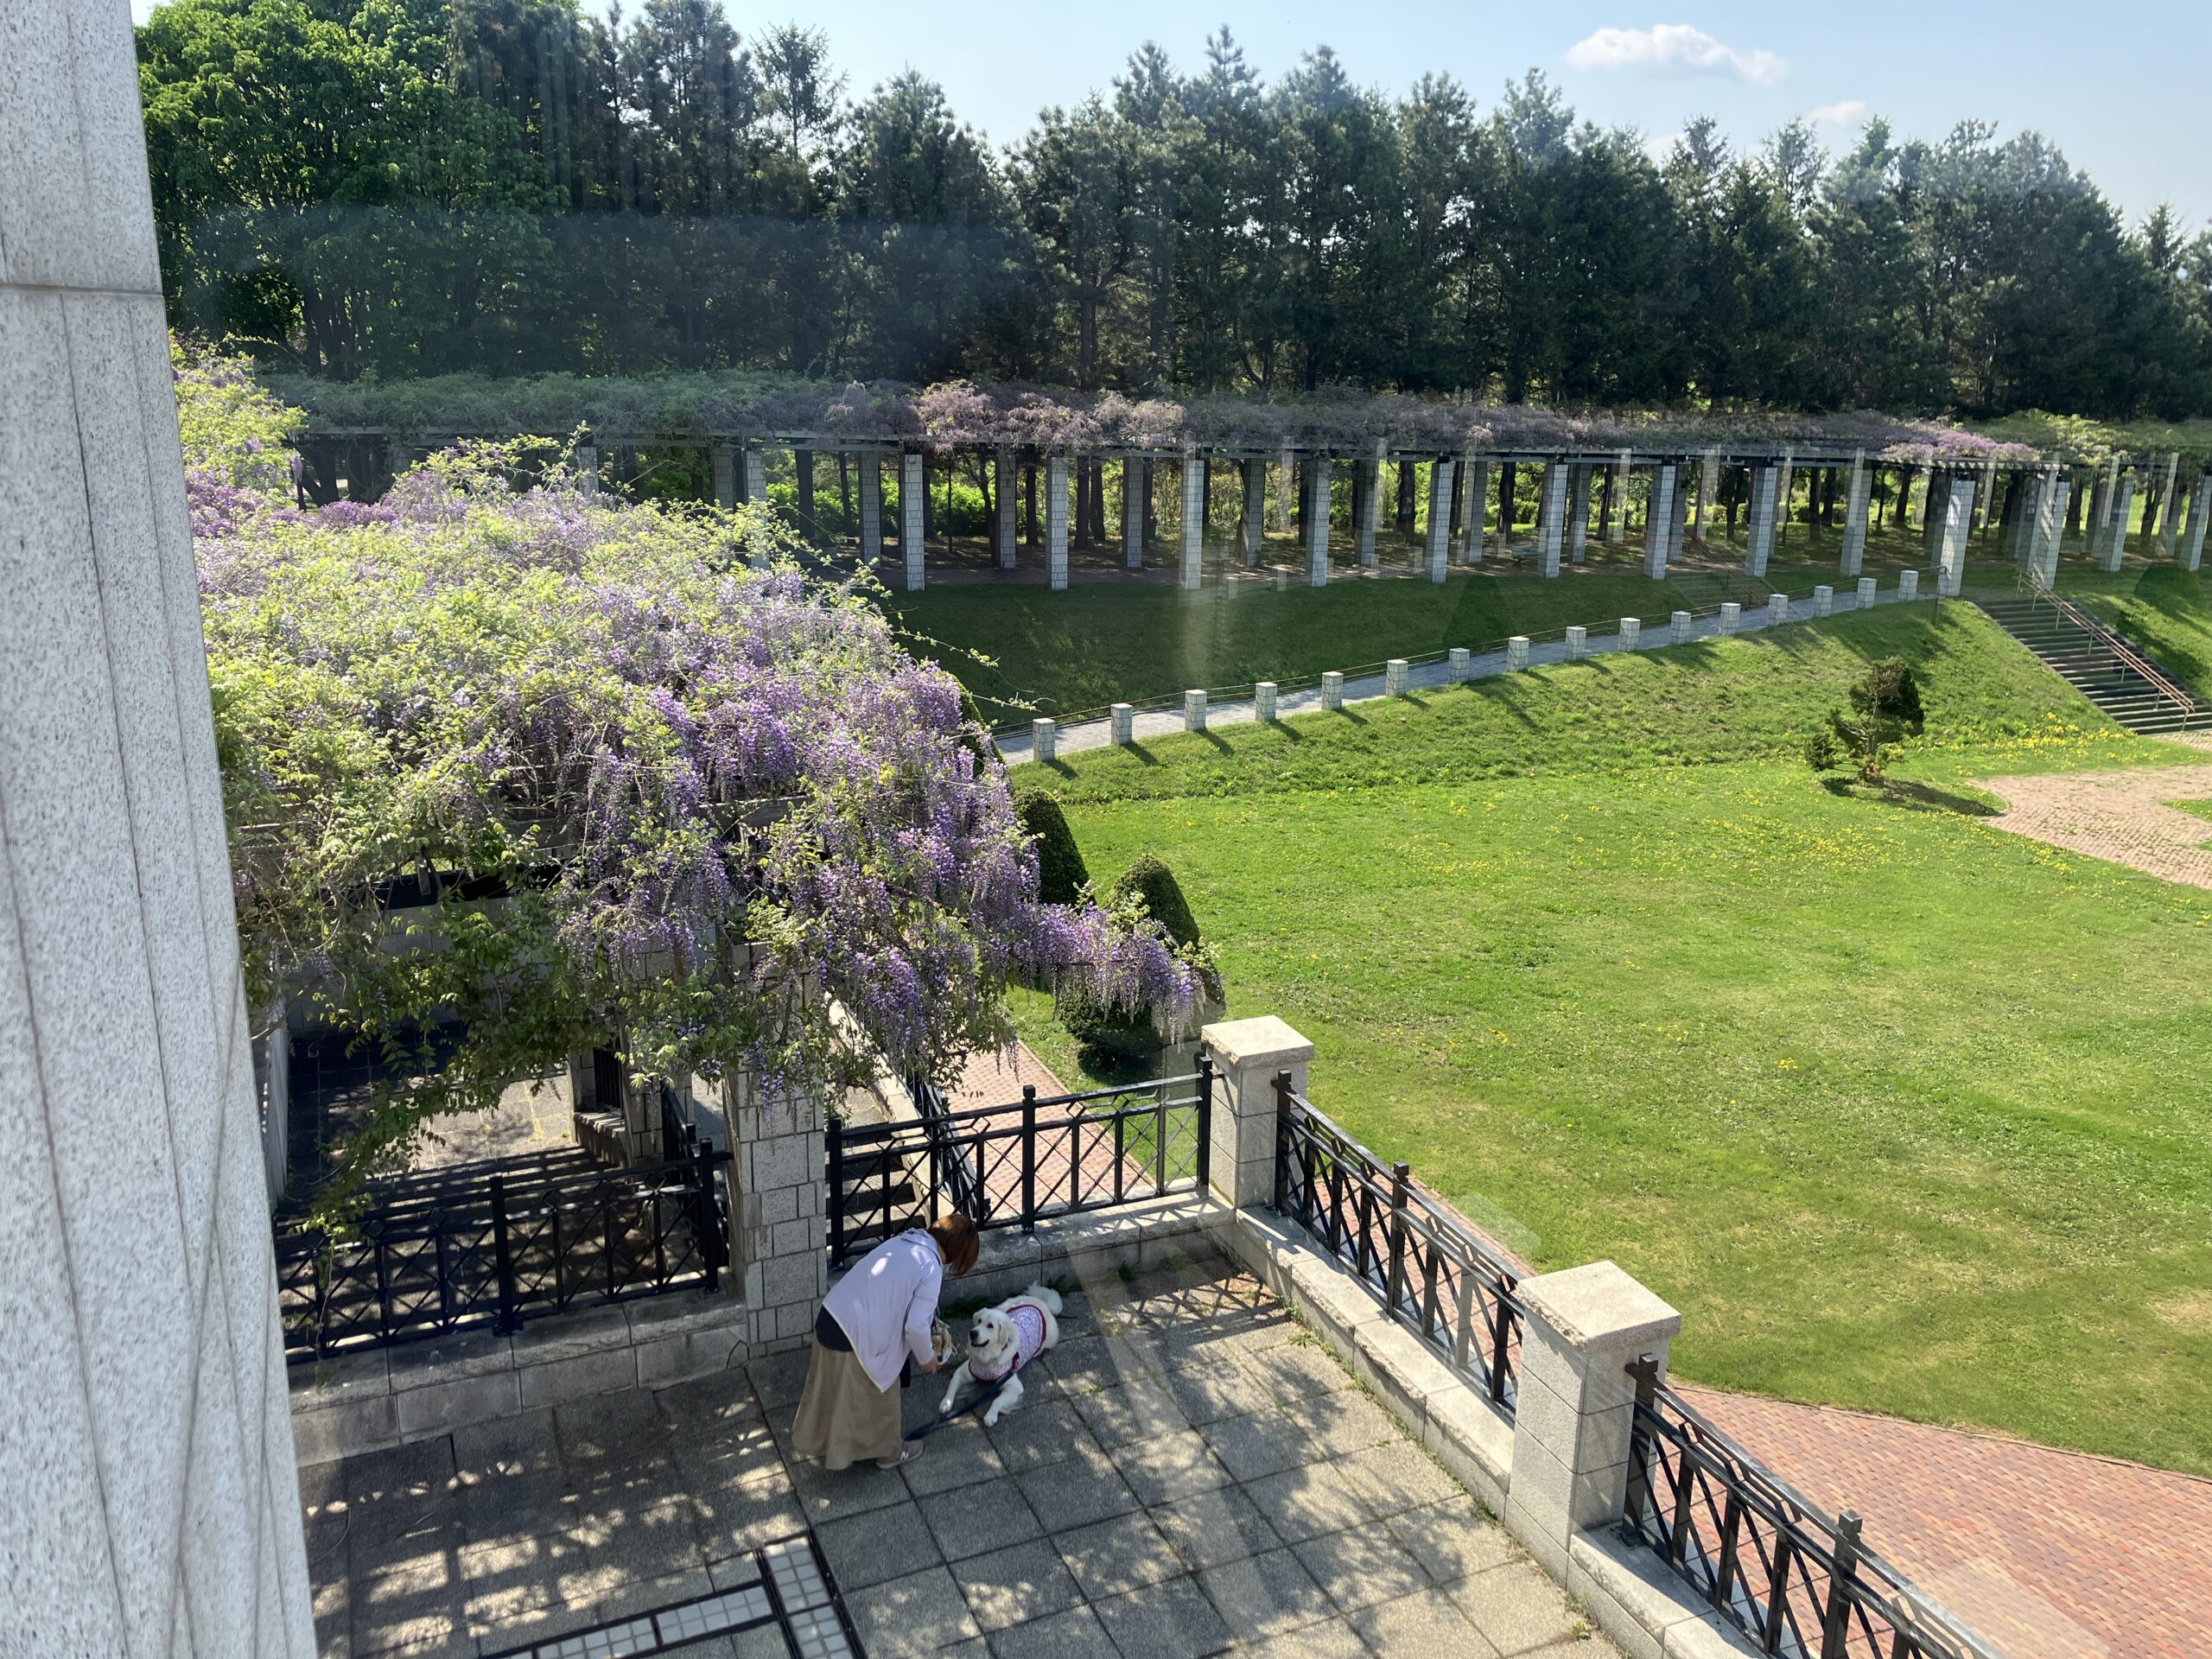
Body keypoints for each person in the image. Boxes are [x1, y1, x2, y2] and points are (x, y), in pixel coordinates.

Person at [792, 1213, 980, 1470]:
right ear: (958, 1254)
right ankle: (890, 1451)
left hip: (831, 1315)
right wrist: (927, 1358)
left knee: (833, 1389)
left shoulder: (905, 1241)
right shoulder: (931, 1268)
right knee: (882, 1394)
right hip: (856, 1336)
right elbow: (915, 1326)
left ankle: (822, 1440)